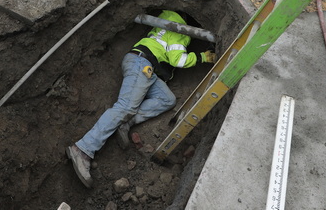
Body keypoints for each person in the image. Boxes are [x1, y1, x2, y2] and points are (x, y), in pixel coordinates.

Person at [66, 10, 216, 188]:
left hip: (144, 65)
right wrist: (202, 57)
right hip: (142, 64)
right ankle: (83, 149)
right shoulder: (181, 29)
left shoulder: (165, 19)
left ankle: (126, 123)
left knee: (166, 99)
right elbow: (178, 60)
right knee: (125, 107)